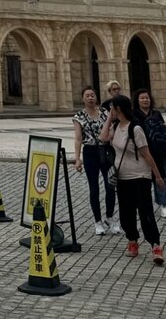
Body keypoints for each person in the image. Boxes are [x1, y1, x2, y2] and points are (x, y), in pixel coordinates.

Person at [100, 94, 165, 264]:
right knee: (126, 213)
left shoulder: (135, 129)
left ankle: (155, 245)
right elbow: (103, 138)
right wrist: (109, 119)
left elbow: (147, 154)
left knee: (145, 212)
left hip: (140, 176)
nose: (110, 111)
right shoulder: (116, 126)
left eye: (112, 109)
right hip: (122, 177)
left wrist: (158, 176)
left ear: (118, 109)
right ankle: (132, 240)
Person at [72, 86, 121, 235]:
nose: (90, 98)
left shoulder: (105, 112)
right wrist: (77, 159)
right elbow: (78, 138)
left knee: (110, 186)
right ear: (83, 98)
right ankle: (98, 221)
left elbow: (113, 129)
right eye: (87, 95)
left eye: (92, 95)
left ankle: (110, 217)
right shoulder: (79, 116)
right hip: (90, 152)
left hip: (106, 151)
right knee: (94, 189)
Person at [133, 88, 166, 218]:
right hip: (141, 151)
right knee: (142, 180)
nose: (145, 100)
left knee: (161, 177)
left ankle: (164, 205)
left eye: (147, 98)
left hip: (158, 151)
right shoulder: (134, 115)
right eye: (142, 98)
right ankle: (143, 205)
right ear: (137, 100)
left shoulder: (156, 113)